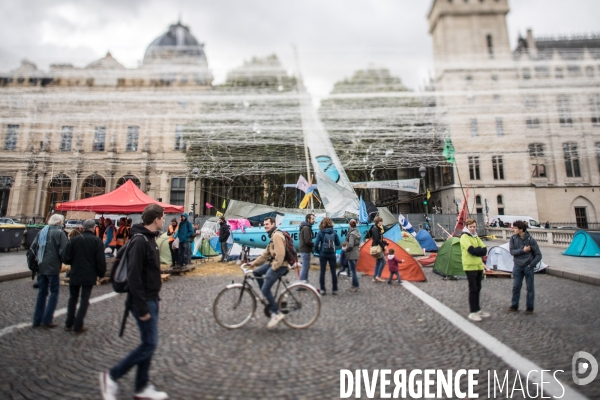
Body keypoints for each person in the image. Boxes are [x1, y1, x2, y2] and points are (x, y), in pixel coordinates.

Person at [100, 204, 167, 400]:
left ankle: (141, 386)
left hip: (151, 298)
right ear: (156, 219)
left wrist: (156, 297)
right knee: (149, 344)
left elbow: (150, 274)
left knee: (149, 343)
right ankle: (112, 376)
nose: (164, 220)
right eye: (163, 217)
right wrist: (142, 306)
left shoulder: (149, 239)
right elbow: (135, 276)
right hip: (143, 301)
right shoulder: (140, 241)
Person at [63, 219, 106, 333]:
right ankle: (78, 324)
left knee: (73, 298)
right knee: (84, 299)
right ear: (93, 228)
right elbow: (100, 260)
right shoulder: (97, 241)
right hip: (89, 273)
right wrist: (101, 274)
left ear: (83, 228)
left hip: (75, 272)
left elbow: (66, 258)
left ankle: (69, 323)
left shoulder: (74, 240)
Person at [248, 217, 289, 329]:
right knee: (256, 272)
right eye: (264, 224)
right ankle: (265, 296)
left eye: (267, 224)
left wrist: (273, 268)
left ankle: (276, 313)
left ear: (273, 224)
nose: (265, 226)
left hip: (280, 266)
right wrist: (253, 263)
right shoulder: (273, 235)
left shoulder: (276, 235)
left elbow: (280, 255)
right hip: (275, 263)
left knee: (266, 289)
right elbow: (266, 254)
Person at [31, 213, 68, 328]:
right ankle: (47, 319)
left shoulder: (42, 231)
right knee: (54, 292)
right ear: (59, 222)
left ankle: (36, 320)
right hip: (52, 267)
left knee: (42, 292)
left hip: (41, 266)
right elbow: (64, 252)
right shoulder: (60, 233)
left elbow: (33, 247)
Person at [509, 220, 542, 314]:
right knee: (516, 286)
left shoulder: (531, 240)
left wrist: (531, 264)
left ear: (521, 229)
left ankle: (530, 307)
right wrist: (523, 250)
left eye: (515, 228)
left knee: (530, 288)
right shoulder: (513, 238)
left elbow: (538, 255)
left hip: (528, 266)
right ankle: (514, 305)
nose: (513, 230)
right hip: (517, 266)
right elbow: (512, 252)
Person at [459, 218, 489, 322]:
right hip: (469, 266)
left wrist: (478, 251)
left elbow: (484, 249)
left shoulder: (475, 236)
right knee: (473, 288)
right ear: (467, 227)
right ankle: (472, 312)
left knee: (478, 288)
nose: (472, 228)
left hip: (478, 265)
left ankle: (477, 309)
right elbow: (472, 250)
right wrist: (478, 251)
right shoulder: (464, 237)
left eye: (474, 227)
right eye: (471, 227)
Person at [314, 217, 340, 295]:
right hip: (332, 254)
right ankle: (334, 289)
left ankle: (323, 289)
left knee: (322, 272)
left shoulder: (320, 233)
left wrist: (318, 251)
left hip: (323, 254)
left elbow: (315, 244)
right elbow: (338, 243)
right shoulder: (334, 232)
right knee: (333, 272)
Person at [345, 219, 361, 292]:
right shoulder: (357, 232)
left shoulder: (351, 234)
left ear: (350, 224)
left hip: (351, 253)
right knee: (354, 269)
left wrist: (346, 250)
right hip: (356, 252)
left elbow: (351, 245)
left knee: (353, 271)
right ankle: (354, 285)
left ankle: (355, 285)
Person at [298, 213, 315, 282]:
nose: (314, 220)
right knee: (305, 267)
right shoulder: (306, 228)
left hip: (305, 249)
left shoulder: (306, 227)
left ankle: (305, 281)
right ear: (308, 219)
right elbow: (307, 241)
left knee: (306, 267)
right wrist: (315, 244)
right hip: (305, 250)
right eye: (312, 219)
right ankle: (300, 284)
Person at [370, 216, 387, 282]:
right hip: (377, 247)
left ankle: (374, 277)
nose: (382, 222)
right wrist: (383, 246)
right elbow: (377, 239)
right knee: (383, 261)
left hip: (376, 246)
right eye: (381, 221)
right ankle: (378, 276)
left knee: (378, 262)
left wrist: (384, 243)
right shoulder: (376, 229)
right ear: (379, 222)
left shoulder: (376, 228)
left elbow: (378, 238)